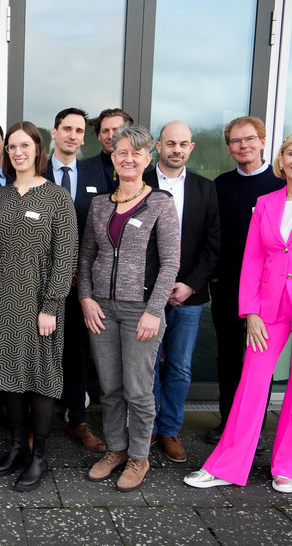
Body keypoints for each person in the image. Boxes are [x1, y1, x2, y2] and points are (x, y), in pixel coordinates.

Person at [185, 131, 292, 493]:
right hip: (269, 307)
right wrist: (250, 311)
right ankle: (227, 464)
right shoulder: (266, 202)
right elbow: (253, 259)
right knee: (251, 383)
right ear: (281, 159)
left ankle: (286, 466)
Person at [78, 124, 180, 492]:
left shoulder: (161, 204)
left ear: (147, 159)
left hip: (141, 310)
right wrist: (86, 298)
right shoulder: (100, 204)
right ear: (113, 156)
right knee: (109, 388)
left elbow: (170, 263)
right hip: (102, 308)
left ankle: (139, 456)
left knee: (138, 388)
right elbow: (87, 255)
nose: (129, 158)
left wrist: (155, 310)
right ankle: (115, 449)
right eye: (122, 151)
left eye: (136, 153)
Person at [0, 121, 78, 492]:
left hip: (41, 304)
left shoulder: (57, 197)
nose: (17, 153)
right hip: (4, 303)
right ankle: (18, 446)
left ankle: (39, 456)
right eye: (12, 147)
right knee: (9, 377)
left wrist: (51, 304)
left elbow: (66, 257)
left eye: (24, 146)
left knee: (40, 378)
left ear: (38, 149)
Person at [142, 121, 220, 463]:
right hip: (145, 295)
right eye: (171, 142)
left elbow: (213, 243)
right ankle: (146, 429)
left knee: (179, 367)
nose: (177, 149)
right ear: (158, 145)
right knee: (146, 367)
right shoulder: (139, 183)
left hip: (189, 295)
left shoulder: (206, 189)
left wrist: (189, 284)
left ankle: (169, 429)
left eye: (184, 144)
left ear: (191, 148)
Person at [207, 117, 286, 447]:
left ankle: (252, 426)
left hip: (267, 288)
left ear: (263, 141)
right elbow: (210, 233)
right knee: (227, 355)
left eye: (250, 139)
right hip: (227, 285)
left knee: (259, 358)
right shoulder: (220, 185)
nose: (243, 146)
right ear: (228, 148)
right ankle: (228, 423)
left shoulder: (280, 185)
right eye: (236, 141)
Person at [45, 108, 113, 453]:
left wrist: (80, 272)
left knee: (77, 351)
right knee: (38, 351)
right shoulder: (34, 170)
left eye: (78, 130)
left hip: (80, 283)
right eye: (66, 128)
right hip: (40, 283)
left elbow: (100, 229)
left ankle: (77, 421)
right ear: (53, 132)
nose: (72, 135)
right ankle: (33, 424)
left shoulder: (95, 173)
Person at [80, 108, 134, 181]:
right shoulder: (82, 169)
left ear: (129, 134)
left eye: (116, 130)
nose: (110, 136)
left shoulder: (144, 170)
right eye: (105, 131)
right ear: (99, 136)